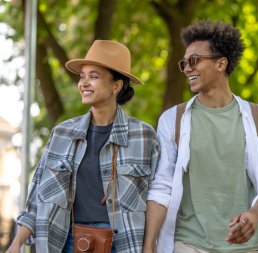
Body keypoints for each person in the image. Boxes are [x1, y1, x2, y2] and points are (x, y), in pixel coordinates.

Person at [143, 20, 258, 253]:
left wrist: (255, 214)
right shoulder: (173, 120)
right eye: (184, 63)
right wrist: (149, 246)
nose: (187, 68)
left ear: (221, 63)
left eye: (194, 60)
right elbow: (161, 187)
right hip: (188, 242)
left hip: (246, 245)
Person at [6, 40, 159, 253]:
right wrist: (16, 243)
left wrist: (150, 246)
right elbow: (36, 199)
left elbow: (157, 197)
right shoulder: (62, 133)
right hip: (66, 242)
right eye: (82, 77)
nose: (84, 83)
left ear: (116, 85)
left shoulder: (144, 136)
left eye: (94, 76)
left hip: (123, 245)